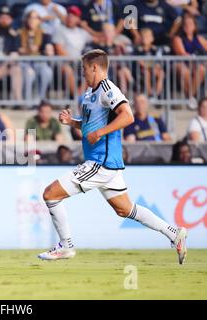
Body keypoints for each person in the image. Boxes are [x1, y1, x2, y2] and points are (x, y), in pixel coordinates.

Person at [38, 49, 187, 264]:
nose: (83, 74)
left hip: (101, 163)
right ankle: (174, 233)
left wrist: (100, 133)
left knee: (50, 194)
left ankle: (66, 246)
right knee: (126, 209)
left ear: (95, 68)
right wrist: (72, 122)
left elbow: (128, 116)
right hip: (108, 165)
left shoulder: (108, 89)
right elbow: (90, 126)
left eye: (84, 70)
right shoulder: (90, 94)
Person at [18, 10, 54, 102]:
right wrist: (25, 50)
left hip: (39, 61)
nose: (32, 20)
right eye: (30, 17)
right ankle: (28, 101)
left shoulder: (45, 35)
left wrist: (49, 49)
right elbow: (17, 49)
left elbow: (48, 46)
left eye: (35, 18)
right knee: (30, 74)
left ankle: (40, 98)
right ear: (26, 20)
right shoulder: (20, 34)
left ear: (39, 21)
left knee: (47, 72)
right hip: (24, 62)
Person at [172, 12, 207, 101]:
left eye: (190, 24)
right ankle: (191, 97)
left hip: (196, 63)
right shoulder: (178, 38)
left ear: (195, 26)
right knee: (185, 71)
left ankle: (190, 97)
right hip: (183, 63)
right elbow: (182, 53)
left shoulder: (199, 38)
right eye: (186, 24)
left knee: (202, 69)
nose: (188, 26)